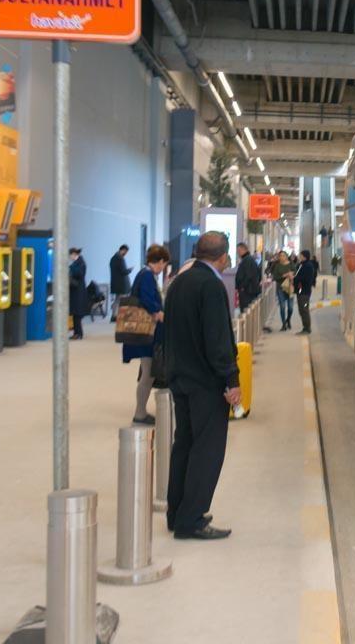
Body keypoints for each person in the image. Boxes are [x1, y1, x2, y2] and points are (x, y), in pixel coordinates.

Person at [163, 231, 241, 540]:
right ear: (223, 257)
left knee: (184, 444)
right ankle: (191, 519)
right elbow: (218, 339)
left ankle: (177, 512)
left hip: (179, 378)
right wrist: (231, 379)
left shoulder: (180, 281)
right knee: (207, 450)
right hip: (205, 382)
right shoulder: (211, 285)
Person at [122, 244, 170, 425]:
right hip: (147, 334)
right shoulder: (148, 276)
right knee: (148, 373)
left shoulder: (143, 274)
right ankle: (139, 413)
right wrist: (162, 315)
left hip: (145, 333)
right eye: (163, 264)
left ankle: (140, 411)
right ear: (159, 261)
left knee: (147, 373)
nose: (163, 268)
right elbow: (149, 302)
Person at [294, 249, 319, 335]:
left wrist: (295, 278)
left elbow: (306, 279)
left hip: (305, 292)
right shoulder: (301, 265)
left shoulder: (308, 266)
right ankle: (305, 327)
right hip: (300, 291)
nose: (299, 256)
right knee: (301, 310)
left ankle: (307, 328)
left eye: (300, 255)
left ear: (304, 256)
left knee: (304, 309)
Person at [270, 251, 295, 330]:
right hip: (281, 288)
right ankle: (283, 323)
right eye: (280, 256)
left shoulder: (291, 264)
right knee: (282, 306)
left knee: (290, 307)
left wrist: (292, 275)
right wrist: (284, 275)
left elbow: (295, 272)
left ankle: (288, 320)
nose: (282, 257)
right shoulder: (277, 266)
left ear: (286, 256)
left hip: (290, 287)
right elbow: (275, 277)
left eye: (284, 255)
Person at [68, 247, 89, 340]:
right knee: (75, 314)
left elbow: (80, 274)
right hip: (76, 291)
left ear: (74, 254)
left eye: (70, 255)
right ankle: (77, 333)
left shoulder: (80, 263)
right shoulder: (79, 262)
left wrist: (70, 268)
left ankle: (78, 333)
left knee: (77, 314)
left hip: (78, 291)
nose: (70, 257)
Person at [234, 243, 261, 311]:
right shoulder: (249, 259)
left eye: (238, 251)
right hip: (250, 290)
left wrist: (242, 287)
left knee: (246, 310)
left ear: (243, 249)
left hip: (247, 292)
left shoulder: (247, 260)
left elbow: (248, 275)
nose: (238, 253)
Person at [109, 244, 133, 322]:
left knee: (117, 300)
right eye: (125, 251)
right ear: (122, 250)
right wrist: (130, 270)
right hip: (121, 284)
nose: (126, 253)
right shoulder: (120, 258)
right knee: (122, 301)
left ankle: (114, 316)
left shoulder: (113, 258)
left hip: (116, 283)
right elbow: (123, 271)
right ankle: (120, 317)